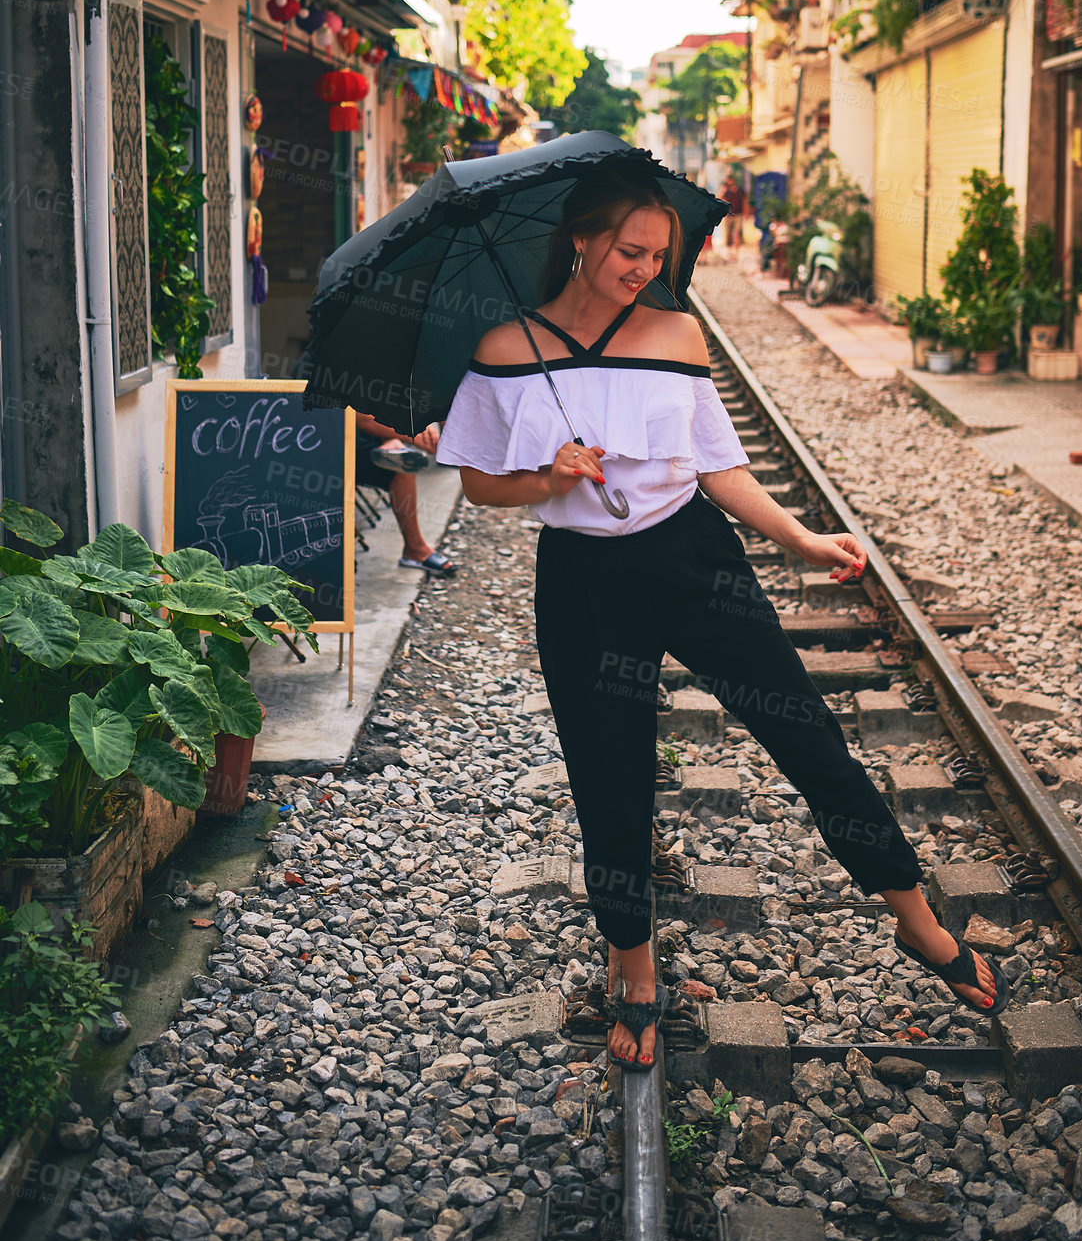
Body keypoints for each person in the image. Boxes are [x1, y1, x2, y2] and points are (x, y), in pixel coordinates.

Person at [435, 169, 1007, 1069]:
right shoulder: (510, 348)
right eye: (630, 251)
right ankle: (634, 970)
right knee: (608, 770)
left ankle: (919, 922)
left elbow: (715, 465)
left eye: (658, 255)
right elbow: (473, 478)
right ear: (581, 241)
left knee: (806, 733)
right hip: (582, 580)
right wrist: (550, 477)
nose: (645, 269)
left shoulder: (676, 333)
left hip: (693, 558)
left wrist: (799, 538)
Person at [355, 414, 456, 575]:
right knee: (402, 461)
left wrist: (391, 435)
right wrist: (411, 431)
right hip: (327, 441)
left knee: (401, 460)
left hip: (360, 434)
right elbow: (361, 419)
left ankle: (414, 549)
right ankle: (416, 547)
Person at [721, 174, 746, 250]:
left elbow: (745, 201)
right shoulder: (726, 191)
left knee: (737, 233)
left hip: (738, 214)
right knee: (728, 234)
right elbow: (722, 200)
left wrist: (746, 212)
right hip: (729, 215)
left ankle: (736, 250)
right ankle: (730, 250)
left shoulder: (740, 190)